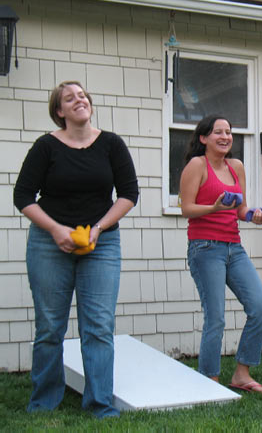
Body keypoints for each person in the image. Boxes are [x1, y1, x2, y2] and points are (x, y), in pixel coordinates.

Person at [13, 81, 139, 418]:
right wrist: (55, 230)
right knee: (50, 325)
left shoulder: (111, 144)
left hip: (102, 243)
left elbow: (128, 194)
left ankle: (100, 403)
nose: (78, 100)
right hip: (49, 243)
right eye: (70, 98)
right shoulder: (46, 147)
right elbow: (22, 196)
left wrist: (98, 228)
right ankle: (43, 401)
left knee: (98, 325)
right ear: (60, 111)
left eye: (82, 95)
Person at [179, 115, 262, 393]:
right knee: (216, 317)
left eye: (229, 132)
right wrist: (214, 208)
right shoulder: (197, 165)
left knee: (259, 308)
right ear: (204, 138)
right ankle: (209, 379)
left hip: (234, 247)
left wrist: (252, 215)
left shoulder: (236, 166)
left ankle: (242, 374)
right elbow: (186, 209)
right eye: (218, 132)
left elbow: (239, 209)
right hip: (205, 248)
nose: (225, 136)